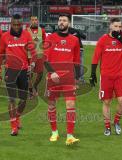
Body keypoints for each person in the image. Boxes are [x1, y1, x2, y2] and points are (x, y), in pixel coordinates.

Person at [89, 18, 122, 136]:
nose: (118, 29)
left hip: (119, 76)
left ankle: (116, 122)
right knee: (107, 102)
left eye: (120, 27)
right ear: (110, 26)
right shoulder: (103, 40)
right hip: (106, 77)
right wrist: (93, 73)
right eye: (115, 26)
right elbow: (95, 57)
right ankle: (107, 127)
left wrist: (121, 39)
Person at [44, 13, 80, 145]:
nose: (61, 22)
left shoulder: (74, 40)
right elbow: (44, 58)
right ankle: (54, 132)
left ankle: (70, 135)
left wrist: (76, 79)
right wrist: (52, 72)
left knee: (70, 104)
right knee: (52, 104)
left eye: (64, 20)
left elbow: (76, 62)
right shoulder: (50, 38)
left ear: (69, 24)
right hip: (53, 78)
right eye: (60, 20)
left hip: (69, 78)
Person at [0, 14, 36, 136]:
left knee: (23, 99)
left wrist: (33, 63)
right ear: (11, 24)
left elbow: (33, 51)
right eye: (14, 25)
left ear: (22, 24)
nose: (16, 27)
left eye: (18, 25)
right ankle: (13, 126)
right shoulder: (4, 36)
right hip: (10, 71)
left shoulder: (27, 35)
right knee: (11, 99)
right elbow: (0, 53)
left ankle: (18, 116)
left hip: (24, 70)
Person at [26, 15, 46, 98]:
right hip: (29, 56)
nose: (34, 21)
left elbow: (44, 42)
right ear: (30, 21)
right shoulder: (26, 31)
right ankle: (30, 91)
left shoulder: (42, 31)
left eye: (36, 20)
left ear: (38, 21)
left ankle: (35, 86)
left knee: (40, 74)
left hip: (39, 55)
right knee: (29, 74)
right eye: (32, 20)